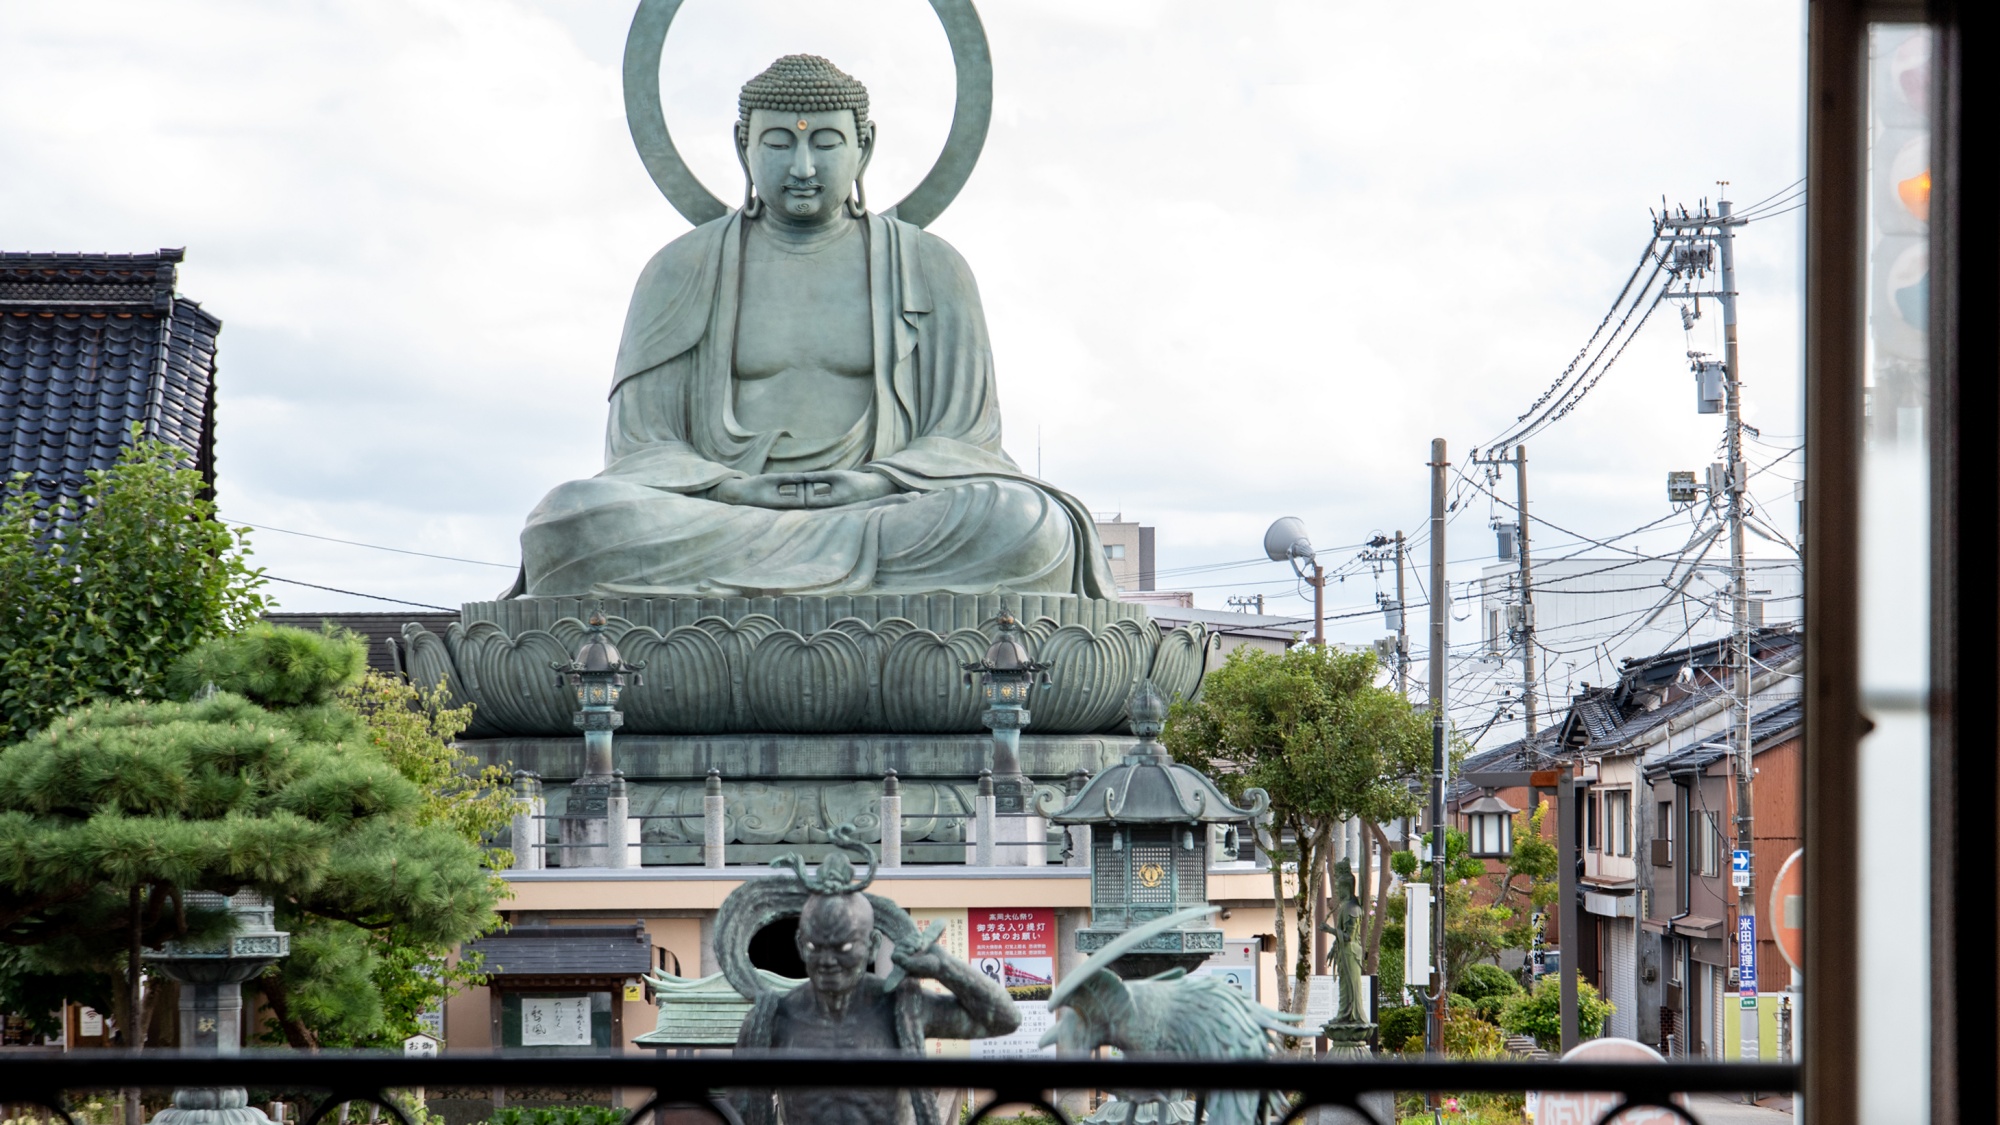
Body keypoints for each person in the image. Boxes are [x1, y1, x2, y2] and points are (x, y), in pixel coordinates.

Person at [517, 55, 1115, 599]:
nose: (802, 167)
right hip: (725, 514)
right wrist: (727, 488)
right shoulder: (680, 269)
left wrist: (879, 483)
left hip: (883, 513)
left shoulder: (932, 267)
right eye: (778, 144)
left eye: (826, 143)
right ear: (743, 147)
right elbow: (642, 446)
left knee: (1024, 523)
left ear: (865, 147)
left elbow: (965, 442)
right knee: (571, 519)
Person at [732, 844, 1017, 1125]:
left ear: (872, 946)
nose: (828, 960)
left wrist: (944, 967)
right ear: (800, 946)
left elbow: (1004, 1019)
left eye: (844, 947)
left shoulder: (900, 1008)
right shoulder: (773, 1020)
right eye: (815, 946)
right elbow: (739, 1109)